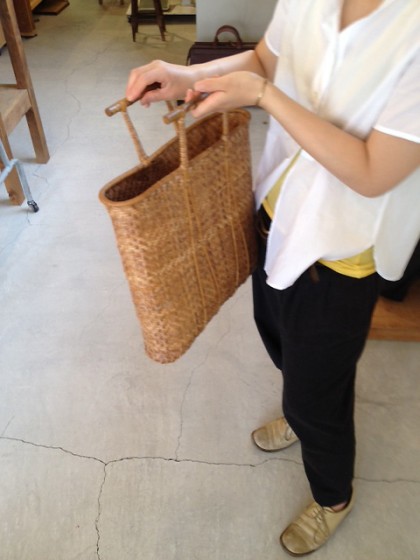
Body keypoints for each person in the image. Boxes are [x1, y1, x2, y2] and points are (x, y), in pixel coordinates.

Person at [126, 0, 420, 555]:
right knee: (280, 339)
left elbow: (373, 172)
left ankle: (333, 495)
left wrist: (264, 96)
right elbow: (267, 58)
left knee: (318, 397)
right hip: (276, 212)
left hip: (340, 249)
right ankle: (300, 409)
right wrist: (189, 75)